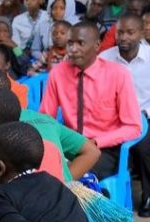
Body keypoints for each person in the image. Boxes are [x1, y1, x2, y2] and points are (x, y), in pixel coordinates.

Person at [100, 14, 150, 217]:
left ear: (141, 34)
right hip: (113, 118)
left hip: (146, 116)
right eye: (120, 32)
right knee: (100, 143)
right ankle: (106, 192)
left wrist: (145, 112)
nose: (123, 37)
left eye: (130, 32)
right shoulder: (105, 58)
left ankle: (149, 195)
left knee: (143, 147)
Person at [40, 21, 141, 179]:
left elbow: (133, 127)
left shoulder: (118, 74)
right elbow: (46, 118)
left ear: (97, 45)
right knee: (36, 171)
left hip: (105, 148)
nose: (73, 50)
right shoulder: (58, 73)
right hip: (71, 144)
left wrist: (96, 141)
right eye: (70, 43)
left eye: (80, 43)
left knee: (73, 177)